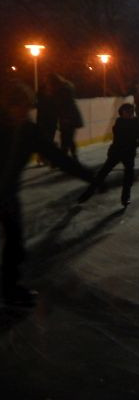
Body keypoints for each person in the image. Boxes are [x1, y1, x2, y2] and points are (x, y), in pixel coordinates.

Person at [0, 82, 93, 306]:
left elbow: (57, 157)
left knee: (16, 244)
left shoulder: (28, 131)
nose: (24, 111)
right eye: (18, 106)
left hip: (7, 196)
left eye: (27, 106)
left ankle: (10, 289)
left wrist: (90, 176)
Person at [80, 103, 139, 207]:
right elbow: (119, 139)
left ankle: (125, 197)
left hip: (128, 153)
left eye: (132, 112)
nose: (130, 114)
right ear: (122, 113)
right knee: (103, 172)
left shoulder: (135, 122)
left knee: (128, 175)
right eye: (127, 112)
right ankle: (89, 192)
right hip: (117, 152)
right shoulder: (120, 122)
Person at [50, 74, 83, 158]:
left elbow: (64, 105)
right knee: (69, 139)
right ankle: (73, 157)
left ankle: (65, 158)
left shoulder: (62, 90)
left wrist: (65, 118)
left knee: (66, 139)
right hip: (70, 118)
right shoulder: (66, 88)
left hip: (68, 119)